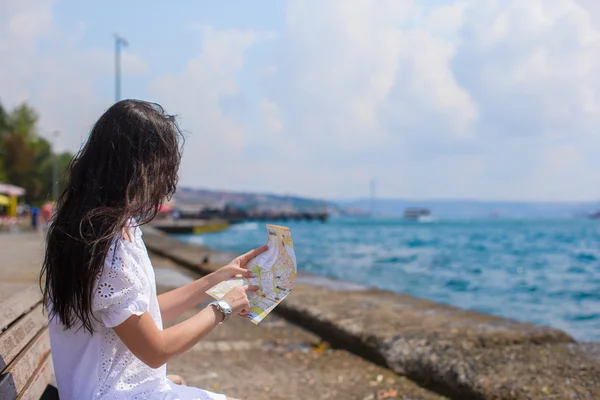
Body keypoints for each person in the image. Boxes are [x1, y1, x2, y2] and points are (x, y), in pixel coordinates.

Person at [41, 100, 266, 400]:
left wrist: (216, 280)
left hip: (105, 390)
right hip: (107, 395)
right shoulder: (105, 247)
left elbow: (143, 313)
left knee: (181, 382)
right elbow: (156, 350)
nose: (165, 180)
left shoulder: (103, 228)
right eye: (162, 167)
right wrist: (222, 308)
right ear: (138, 167)